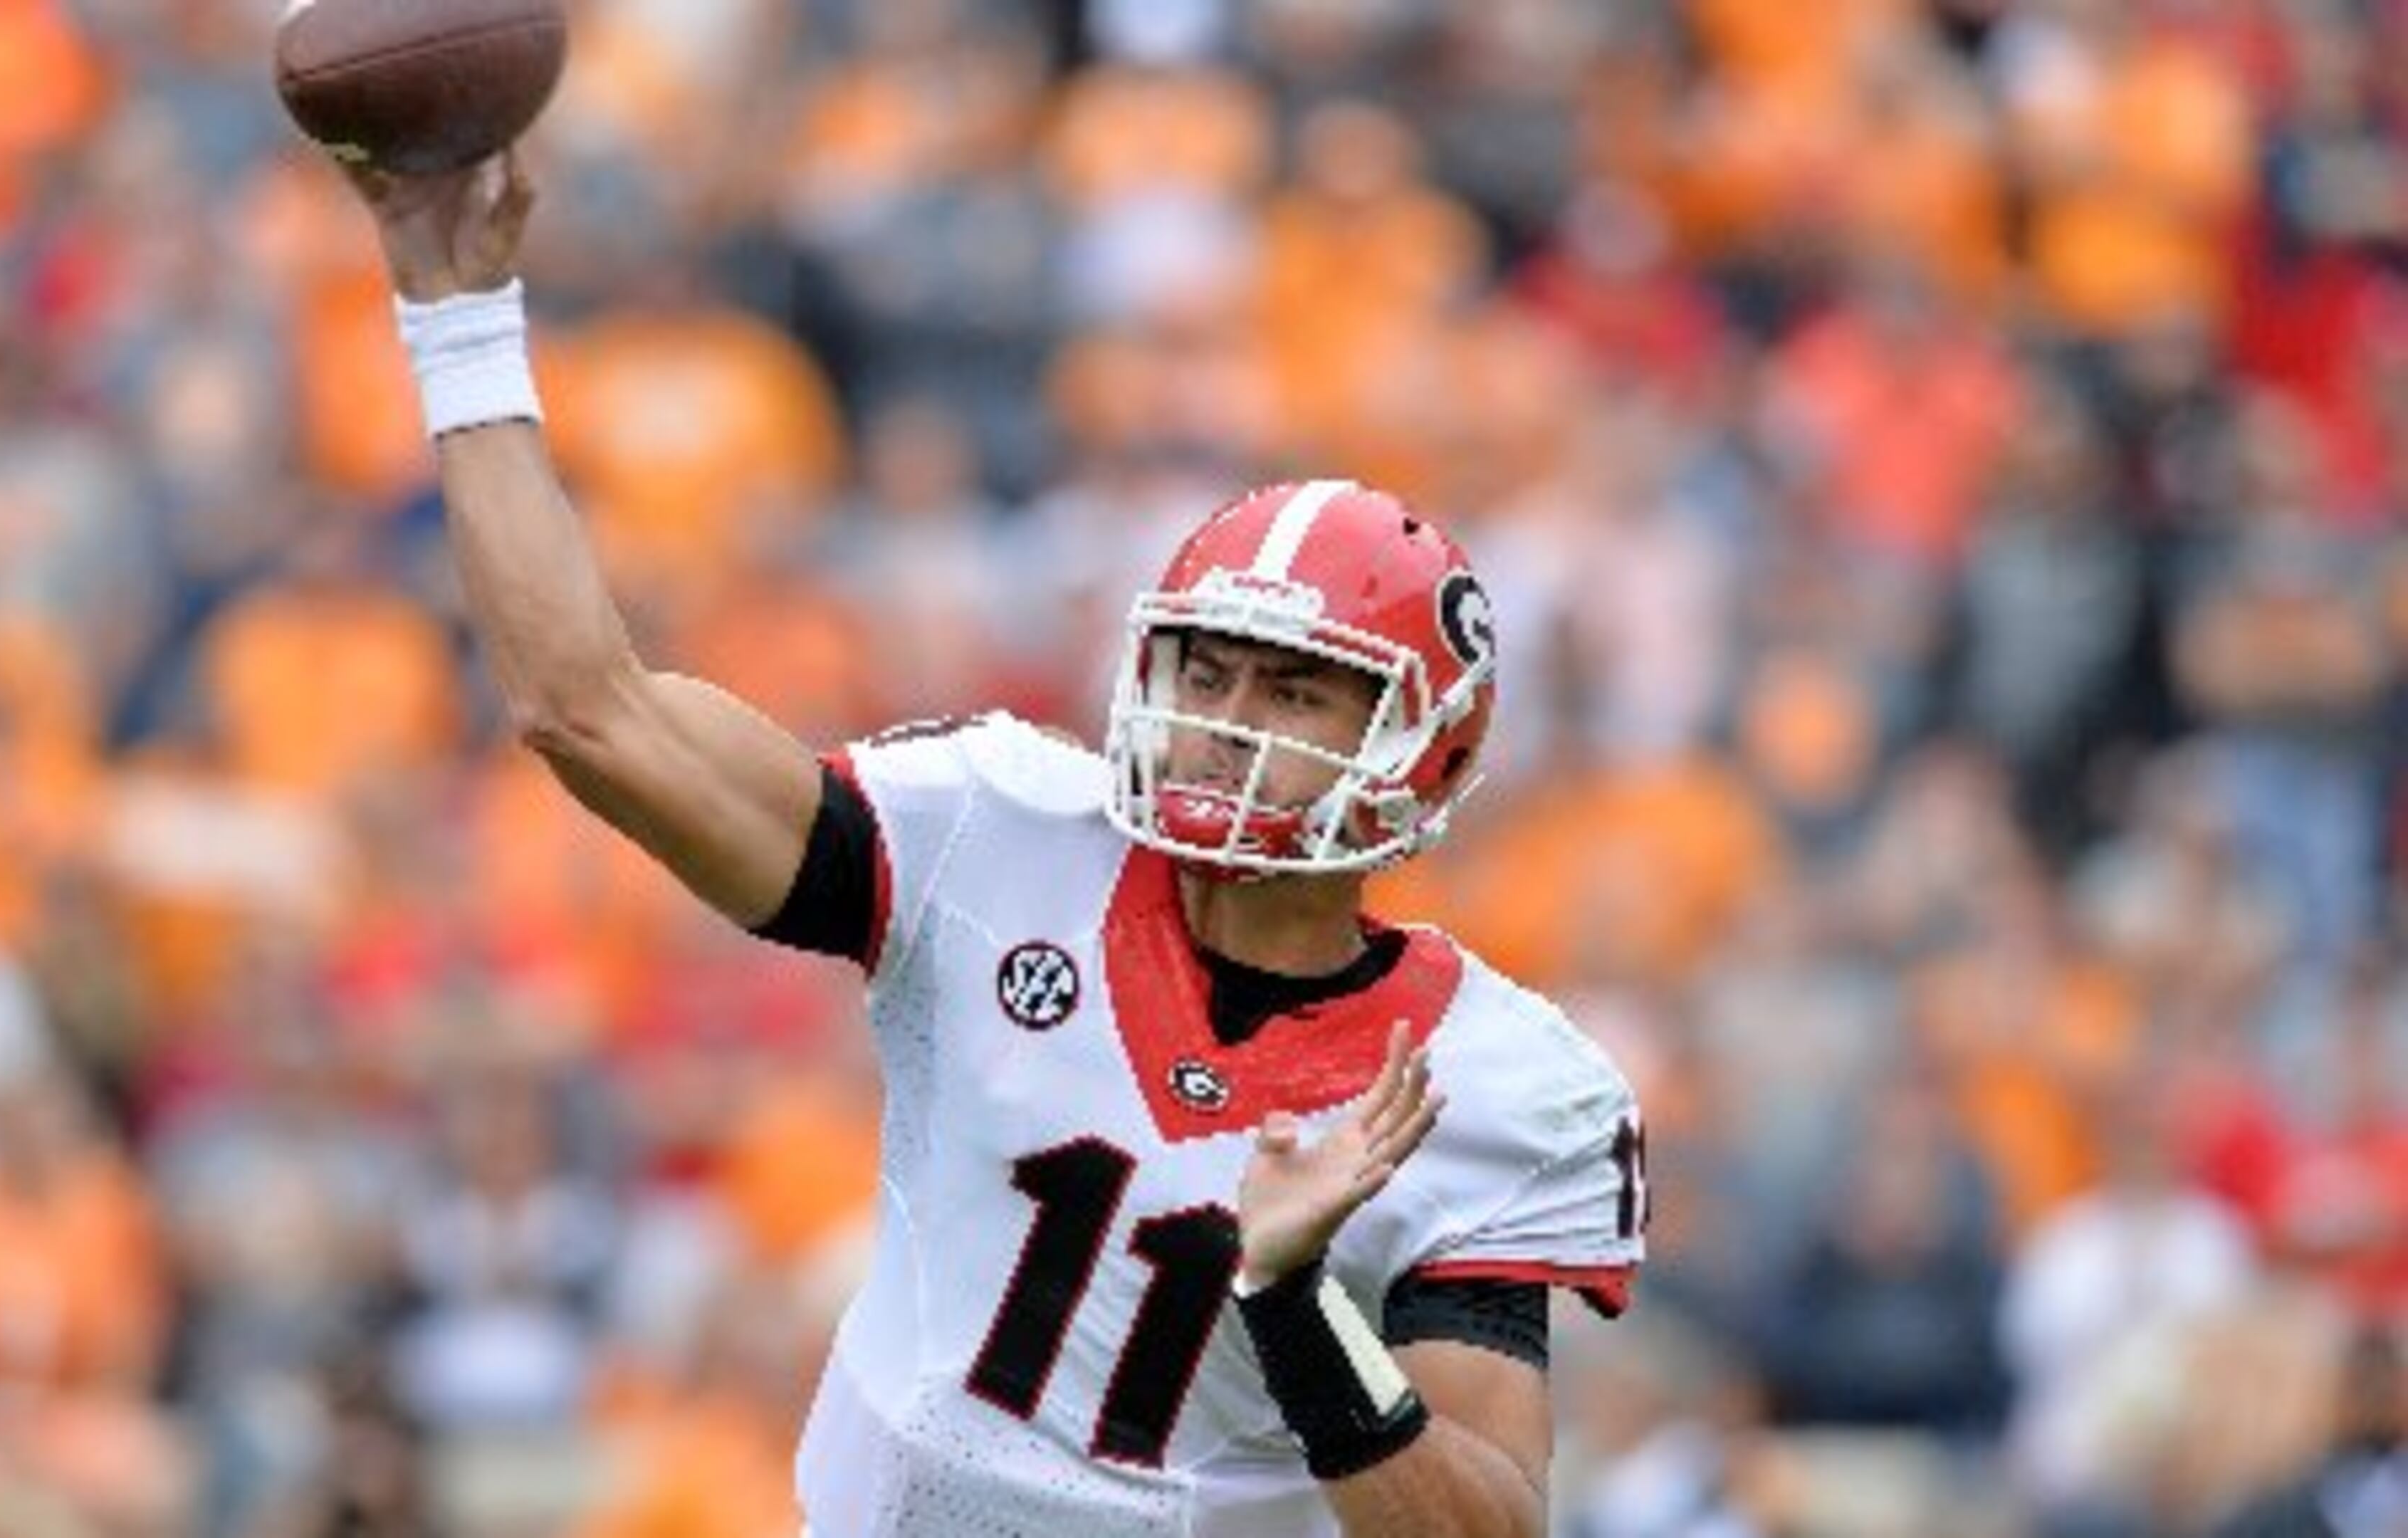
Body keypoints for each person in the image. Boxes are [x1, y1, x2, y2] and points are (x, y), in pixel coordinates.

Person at [339, 149, 1645, 1537]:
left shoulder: (1496, 1086)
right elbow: (588, 710)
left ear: (1422, 744)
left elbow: (1490, 1531)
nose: (1228, 724)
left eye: (1294, 690)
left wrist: (1296, 1308)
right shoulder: (999, 830)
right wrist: (458, 323)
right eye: (1207, 675)